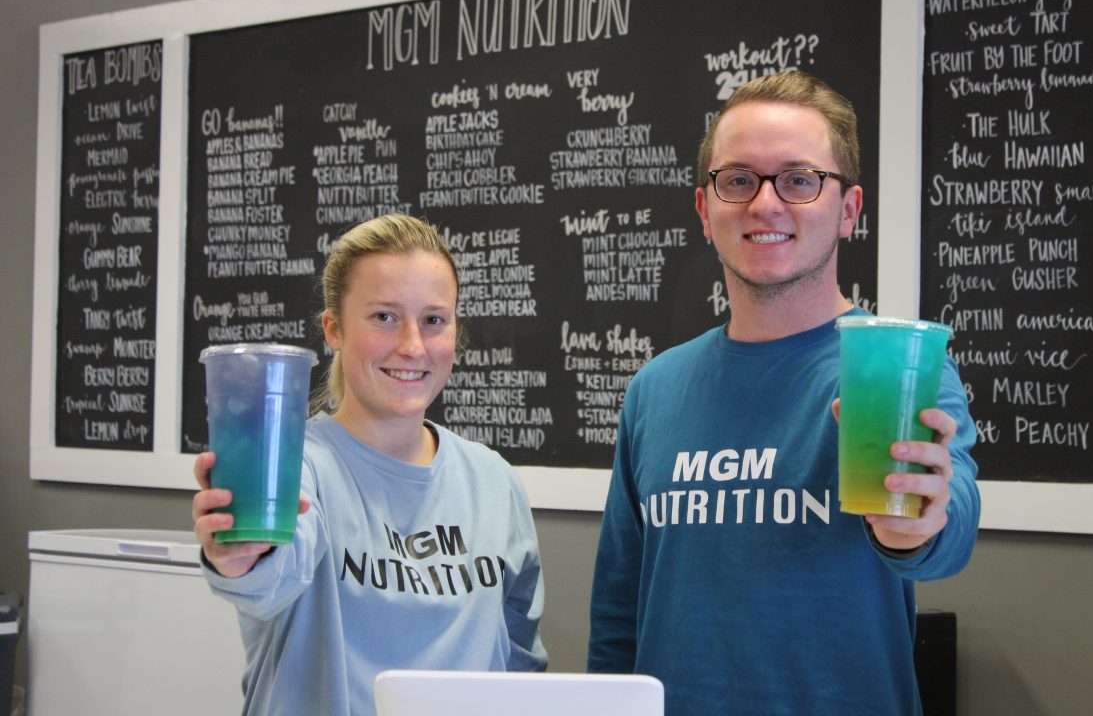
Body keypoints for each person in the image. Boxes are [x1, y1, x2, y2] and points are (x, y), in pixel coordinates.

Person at [587, 70, 980, 715]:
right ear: (704, 211)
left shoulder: (899, 368)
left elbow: (950, 520)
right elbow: (618, 609)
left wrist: (916, 525)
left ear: (848, 210)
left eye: (799, 180)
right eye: (738, 179)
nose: (764, 204)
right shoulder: (654, 389)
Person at [192, 213, 548, 716]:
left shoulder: (493, 482)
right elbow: (267, 578)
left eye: (433, 320)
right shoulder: (296, 468)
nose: (411, 346)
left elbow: (520, 666)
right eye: (384, 316)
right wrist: (241, 557)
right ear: (333, 329)